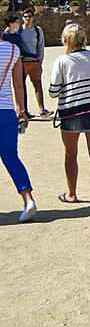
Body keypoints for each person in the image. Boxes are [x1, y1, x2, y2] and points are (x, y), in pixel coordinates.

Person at [49, 24, 90, 213]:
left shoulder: (62, 61)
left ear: (64, 41)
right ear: (84, 39)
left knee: (71, 154)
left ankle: (72, 193)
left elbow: (53, 92)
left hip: (71, 112)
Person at [0, 33, 37, 222]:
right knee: (11, 158)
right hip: (6, 111)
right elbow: (18, 85)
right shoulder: (13, 50)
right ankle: (28, 199)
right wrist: (22, 110)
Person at [18, 8, 50, 117]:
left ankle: (42, 109)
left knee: (37, 85)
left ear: (33, 17)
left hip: (34, 62)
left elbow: (41, 45)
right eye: (26, 17)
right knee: (21, 86)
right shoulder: (19, 30)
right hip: (22, 63)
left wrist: (40, 61)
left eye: (30, 16)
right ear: (22, 18)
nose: (28, 19)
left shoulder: (37, 30)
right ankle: (23, 110)